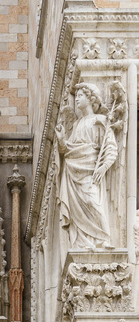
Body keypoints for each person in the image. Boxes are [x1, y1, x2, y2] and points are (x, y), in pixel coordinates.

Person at [56, 82, 117, 249]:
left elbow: (111, 146)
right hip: (74, 171)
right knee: (80, 207)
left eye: (81, 95)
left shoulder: (100, 120)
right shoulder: (76, 125)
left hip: (91, 169)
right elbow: (69, 150)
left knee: (92, 202)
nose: (77, 99)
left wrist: (104, 166)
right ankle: (84, 242)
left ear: (90, 98)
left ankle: (103, 238)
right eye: (76, 96)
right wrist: (62, 139)